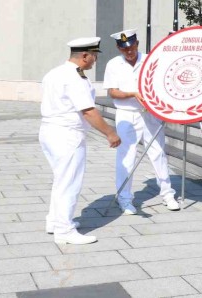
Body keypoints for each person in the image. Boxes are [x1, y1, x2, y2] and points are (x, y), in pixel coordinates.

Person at [39, 37, 122, 245]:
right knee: (69, 182)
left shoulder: (54, 73)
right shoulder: (75, 78)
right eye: (93, 56)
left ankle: (55, 222)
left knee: (61, 179)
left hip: (49, 131)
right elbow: (89, 111)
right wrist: (110, 133)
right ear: (84, 56)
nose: (94, 61)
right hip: (67, 135)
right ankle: (64, 231)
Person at [103, 29, 180, 215]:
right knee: (126, 156)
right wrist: (132, 94)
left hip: (150, 113)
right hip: (126, 114)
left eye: (131, 47)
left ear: (137, 43)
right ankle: (125, 198)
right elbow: (112, 92)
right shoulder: (113, 64)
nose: (128, 52)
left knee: (158, 153)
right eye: (124, 49)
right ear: (118, 48)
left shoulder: (149, 60)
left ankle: (167, 194)